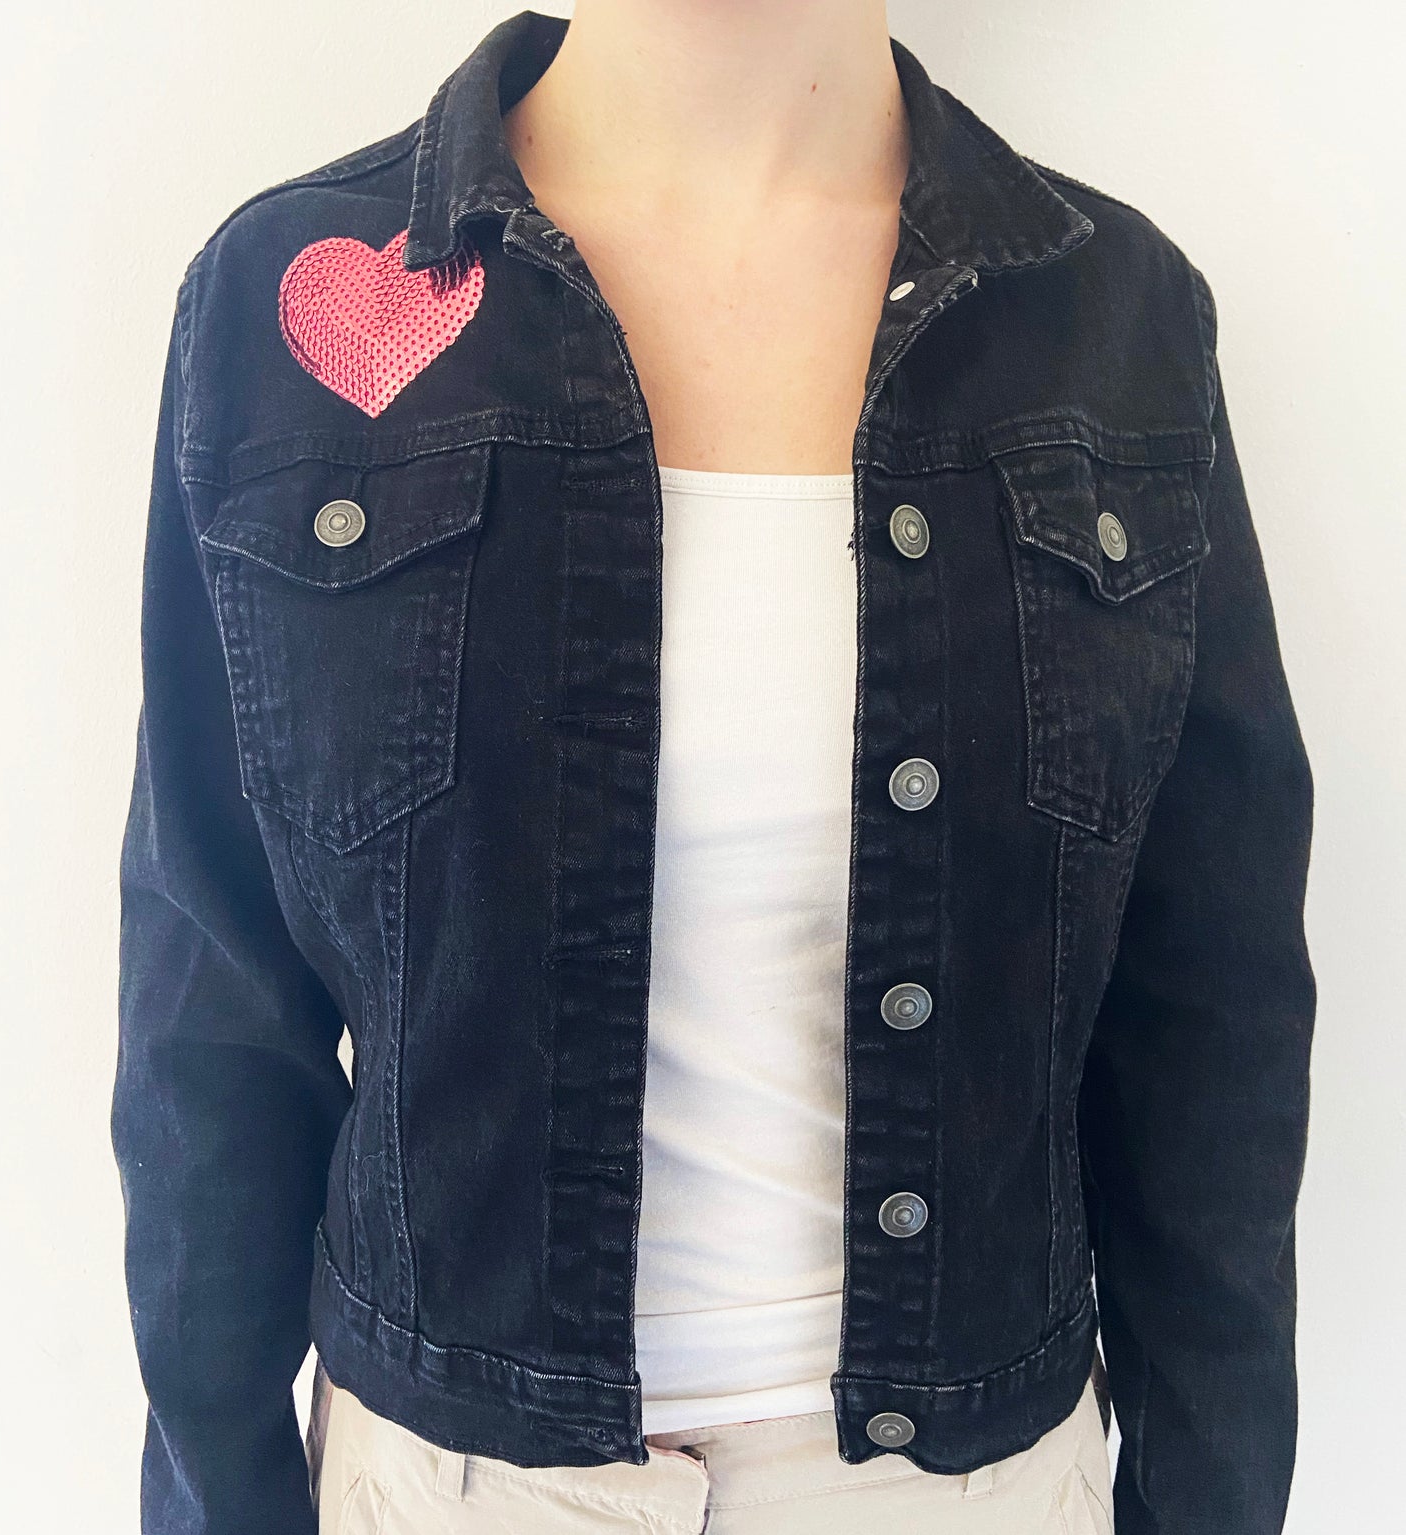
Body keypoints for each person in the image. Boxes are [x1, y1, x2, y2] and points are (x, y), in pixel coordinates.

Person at [113, 5, 1317, 1534]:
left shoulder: (1113, 317)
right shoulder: (276, 296)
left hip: (968, 1492)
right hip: (452, 1488)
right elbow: (211, 1001)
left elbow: (1210, 1013)